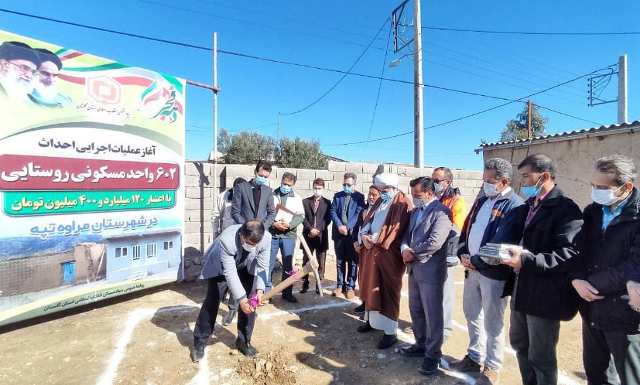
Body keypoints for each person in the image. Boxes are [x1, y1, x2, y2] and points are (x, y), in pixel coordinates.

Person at [497, 154, 583, 385]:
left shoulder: (566, 209)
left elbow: (569, 254)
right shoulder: (528, 207)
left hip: (545, 293)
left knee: (541, 355)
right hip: (520, 288)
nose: (521, 182)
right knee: (519, 344)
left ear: (544, 176)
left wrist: (528, 261)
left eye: (526, 176)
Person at [451, 158, 524, 385]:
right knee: (472, 314)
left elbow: (501, 241)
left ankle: (492, 366)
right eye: (484, 180)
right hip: (471, 270)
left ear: (504, 181)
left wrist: (476, 260)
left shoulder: (515, 205)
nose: (485, 184)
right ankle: (474, 356)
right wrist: (463, 251)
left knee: (493, 322)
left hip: (494, 274)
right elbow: (467, 228)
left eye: (490, 181)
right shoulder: (482, 200)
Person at [572, 155, 640, 385]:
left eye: (602, 187)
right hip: (590, 306)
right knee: (596, 373)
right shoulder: (593, 211)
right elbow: (578, 249)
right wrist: (576, 279)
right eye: (593, 185)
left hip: (624, 312)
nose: (596, 191)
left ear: (626, 187)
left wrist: (592, 283)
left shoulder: (637, 215)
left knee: (630, 376)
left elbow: (634, 264)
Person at [192, 220, 269, 362]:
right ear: (242, 235)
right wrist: (241, 299)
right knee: (212, 301)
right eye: (249, 243)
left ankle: (243, 341)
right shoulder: (227, 241)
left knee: (251, 303)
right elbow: (230, 273)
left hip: (247, 265)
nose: (252, 247)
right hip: (221, 268)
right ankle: (200, 341)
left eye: (255, 245)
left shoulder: (266, 238)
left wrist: (260, 290)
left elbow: (263, 267)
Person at [399, 177, 454, 376]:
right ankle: (420, 345)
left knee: (433, 314)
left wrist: (412, 252)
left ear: (429, 194)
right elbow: (406, 234)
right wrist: (404, 247)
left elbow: (435, 242)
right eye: (413, 195)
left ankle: (433, 355)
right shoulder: (415, 212)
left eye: (417, 195)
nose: (414, 198)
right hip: (414, 268)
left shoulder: (442, 212)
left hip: (430, 270)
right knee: (416, 310)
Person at [357, 173, 411, 349]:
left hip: (389, 255)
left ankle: (390, 332)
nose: (382, 193)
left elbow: (396, 230)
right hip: (371, 251)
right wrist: (363, 235)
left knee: (387, 290)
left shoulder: (402, 204)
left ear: (394, 188)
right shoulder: (381, 201)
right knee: (369, 285)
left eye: (385, 190)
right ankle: (371, 322)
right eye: (381, 189)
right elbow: (369, 220)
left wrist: (374, 238)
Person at [432, 166, 468, 340]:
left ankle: (444, 330)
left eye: (437, 181)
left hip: (446, 253)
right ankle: (434, 324)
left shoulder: (456, 201)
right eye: (432, 180)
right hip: (432, 251)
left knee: (445, 292)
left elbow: (456, 228)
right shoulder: (434, 197)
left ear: (448, 182)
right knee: (432, 292)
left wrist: (434, 233)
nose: (434, 183)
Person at [212, 177, 247, 326]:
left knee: (236, 275)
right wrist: (215, 235)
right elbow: (215, 216)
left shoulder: (248, 198)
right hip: (224, 241)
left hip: (240, 243)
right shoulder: (223, 196)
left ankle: (232, 309)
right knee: (222, 273)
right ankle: (219, 297)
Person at [268, 172, 305, 303]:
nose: (286, 186)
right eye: (284, 183)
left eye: (289, 185)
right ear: (281, 181)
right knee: (269, 263)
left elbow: (300, 216)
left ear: (293, 185)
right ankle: (268, 292)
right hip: (273, 233)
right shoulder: (271, 195)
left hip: (288, 235)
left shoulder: (297, 198)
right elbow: (266, 212)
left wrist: (289, 225)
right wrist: (274, 224)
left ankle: (287, 292)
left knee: (288, 265)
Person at [330, 172, 365, 299]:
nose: (346, 186)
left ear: (354, 184)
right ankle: (340, 285)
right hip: (339, 234)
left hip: (352, 235)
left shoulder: (360, 197)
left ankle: (350, 287)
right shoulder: (338, 196)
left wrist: (348, 227)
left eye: (349, 184)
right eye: (344, 184)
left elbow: (358, 213)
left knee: (353, 262)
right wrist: (340, 225)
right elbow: (333, 211)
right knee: (340, 261)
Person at [300, 178, 332, 295]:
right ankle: (305, 283)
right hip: (308, 235)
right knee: (306, 260)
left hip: (321, 236)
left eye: (319, 188)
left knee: (321, 261)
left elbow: (328, 219)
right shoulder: (305, 202)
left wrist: (318, 229)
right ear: (312, 187)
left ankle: (319, 284)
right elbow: (302, 218)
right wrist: (310, 229)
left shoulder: (328, 203)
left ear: (323, 189)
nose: (317, 190)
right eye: (315, 188)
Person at [353, 185, 382, 314]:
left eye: (374, 194)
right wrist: (355, 242)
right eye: (369, 194)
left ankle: (370, 305)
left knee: (371, 278)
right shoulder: (364, 211)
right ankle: (364, 302)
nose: (370, 197)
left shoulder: (381, 212)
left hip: (372, 250)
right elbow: (356, 228)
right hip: (362, 250)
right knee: (362, 276)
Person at [231, 160, 276, 227]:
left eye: (265, 177)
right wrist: (247, 226)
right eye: (261, 176)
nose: (263, 178)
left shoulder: (268, 191)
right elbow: (235, 212)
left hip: (261, 232)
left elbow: (272, 213)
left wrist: (263, 227)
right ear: (255, 172)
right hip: (244, 230)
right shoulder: (241, 188)